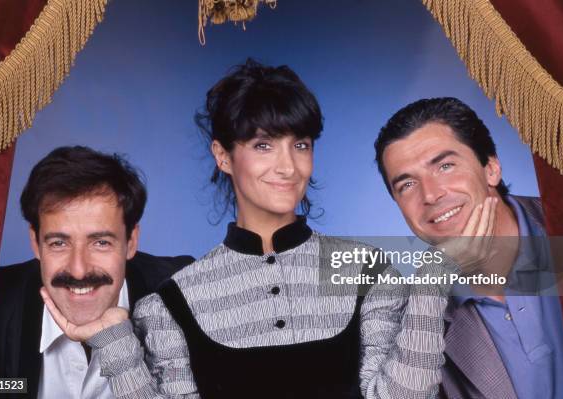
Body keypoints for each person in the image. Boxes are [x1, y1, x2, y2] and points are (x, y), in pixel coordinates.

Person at [42, 60, 451, 398]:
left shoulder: (367, 270)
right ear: (222, 155)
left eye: (301, 144)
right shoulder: (171, 304)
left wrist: (433, 283)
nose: (288, 166)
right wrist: (115, 343)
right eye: (263, 145)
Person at [374, 97, 563, 399]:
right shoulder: (411, 319)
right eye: (407, 185)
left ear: (491, 168)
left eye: (445, 166)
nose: (431, 194)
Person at [0, 146, 194, 399]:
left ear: (131, 242)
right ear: (36, 243)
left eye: (100, 242)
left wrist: (117, 346)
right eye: (59, 243)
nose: (79, 270)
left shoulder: (183, 296)